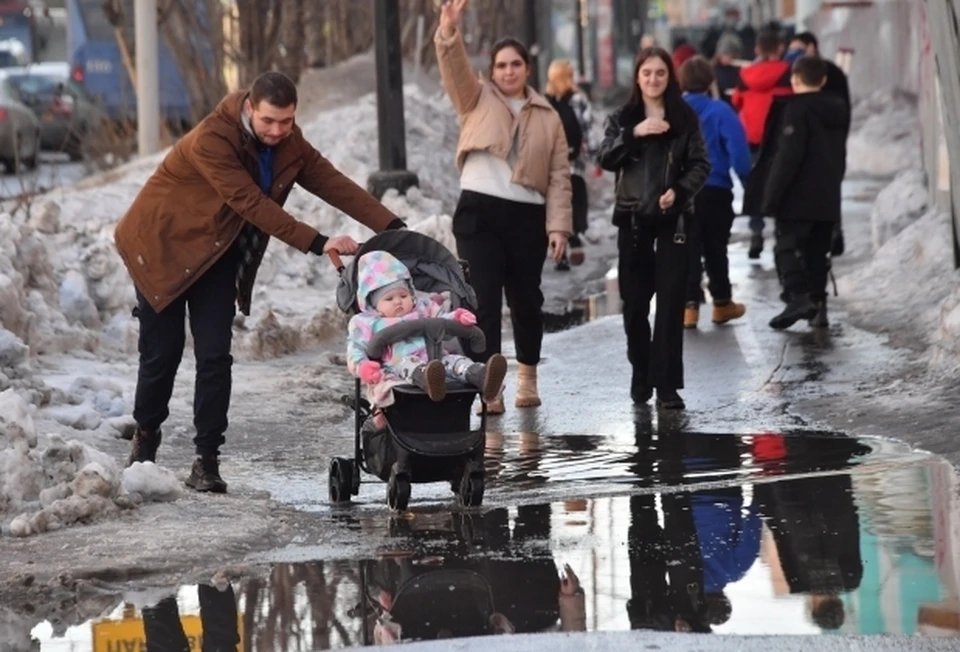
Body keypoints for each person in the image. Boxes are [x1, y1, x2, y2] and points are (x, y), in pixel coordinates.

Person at [115, 71, 406, 493]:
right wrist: (319, 241)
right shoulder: (213, 138)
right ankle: (146, 436)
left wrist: (393, 226)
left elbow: (331, 182)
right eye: (269, 121)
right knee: (163, 354)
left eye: (286, 122)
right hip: (162, 247)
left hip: (215, 251)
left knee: (215, 355)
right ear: (250, 108)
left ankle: (207, 460)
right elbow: (250, 203)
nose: (277, 131)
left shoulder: (288, 140)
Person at [434, 0, 572, 415]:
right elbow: (454, 67)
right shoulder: (475, 98)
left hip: (527, 215)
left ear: (527, 68)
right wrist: (449, 29)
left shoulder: (549, 115)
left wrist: (559, 227)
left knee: (527, 300)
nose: (508, 71)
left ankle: (527, 376)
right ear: (492, 71)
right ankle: (488, 386)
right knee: (483, 304)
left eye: (516, 64)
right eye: (501, 65)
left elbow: (559, 175)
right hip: (479, 213)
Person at [597, 47, 710, 410]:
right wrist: (635, 133)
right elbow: (605, 158)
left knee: (670, 302)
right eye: (647, 73)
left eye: (660, 73)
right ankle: (641, 371)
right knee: (634, 305)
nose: (653, 79)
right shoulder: (622, 117)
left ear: (669, 77)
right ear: (638, 77)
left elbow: (700, 165)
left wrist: (678, 192)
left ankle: (666, 386)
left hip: (673, 222)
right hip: (632, 221)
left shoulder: (684, 117)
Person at [743, 56, 850, 330]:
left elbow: (788, 157)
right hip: (827, 195)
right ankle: (818, 306)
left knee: (786, 246)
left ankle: (797, 298)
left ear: (794, 80)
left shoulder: (796, 110)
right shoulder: (838, 109)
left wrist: (771, 196)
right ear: (823, 80)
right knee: (816, 253)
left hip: (798, 196)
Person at [346, 250, 508, 404]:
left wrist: (457, 317)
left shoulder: (423, 307)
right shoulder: (367, 322)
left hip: (436, 357)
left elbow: (442, 319)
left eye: (403, 295)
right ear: (374, 305)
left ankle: (481, 376)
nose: (398, 301)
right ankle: (426, 379)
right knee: (409, 363)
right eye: (389, 299)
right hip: (397, 365)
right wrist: (363, 366)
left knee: (457, 361)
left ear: (411, 293)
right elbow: (355, 348)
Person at [679, 56, 751, 329]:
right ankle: (722, 303)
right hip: (715, 189)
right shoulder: (721, 111)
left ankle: (688, 307)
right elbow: (740, 153)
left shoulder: (673, 111)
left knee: (686, 247)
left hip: (681, 192)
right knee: (716, 248)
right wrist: (747, 182)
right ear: (710, 81)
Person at [732, 28, 792, 259]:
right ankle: (781, 233)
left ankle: (756, 233)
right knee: (782, 183)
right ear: (780, 47)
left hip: (752, 136)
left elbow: (736, 101)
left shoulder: (745, 74)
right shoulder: (788, 72)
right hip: (779, 137)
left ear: (757, 49)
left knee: (755, 185)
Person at [545, 59, 598, 271]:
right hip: (573, 165)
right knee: (574, 203)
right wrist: (596, 156)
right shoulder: (578, 100)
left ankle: (559, 251)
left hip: (548, 166)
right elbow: (588, 131)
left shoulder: (545, 101)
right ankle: (573, 238)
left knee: (554, 207)